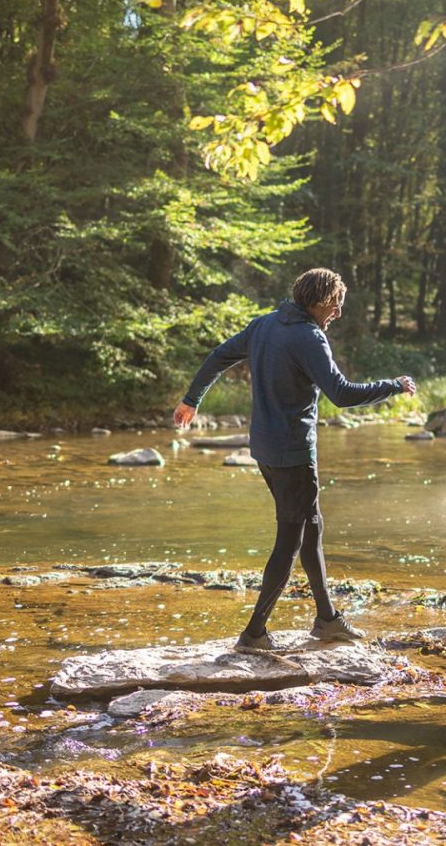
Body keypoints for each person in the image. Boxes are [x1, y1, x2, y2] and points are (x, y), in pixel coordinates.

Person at [176, 268, 417, 650]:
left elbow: (219, 356)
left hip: (266, 450)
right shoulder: (309, 336)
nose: (338, 313)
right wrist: (393, 385)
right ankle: (254, 633)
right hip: (293, 453)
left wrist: (192, 399)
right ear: (321, 301)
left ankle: (327, 619)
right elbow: (342, 393)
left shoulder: (264, 325)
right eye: (336, 305)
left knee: (312, 527)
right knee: (290, 540)